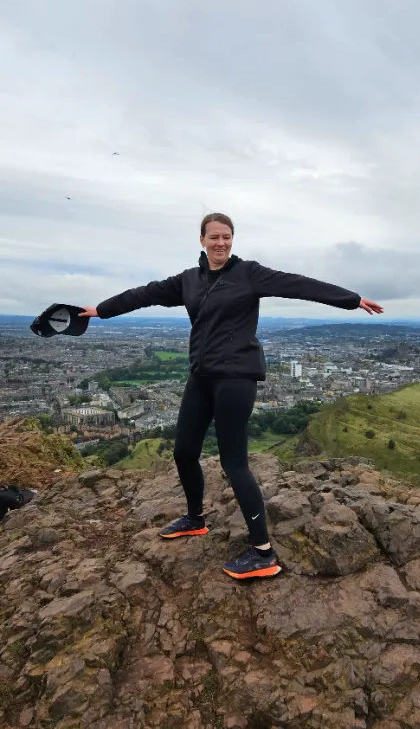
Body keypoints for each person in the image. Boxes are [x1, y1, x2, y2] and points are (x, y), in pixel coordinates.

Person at [79, 213, 383, 579]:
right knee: (184, 451)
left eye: (227, 237)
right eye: (214, 237)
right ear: (202, 240)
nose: (220, 243)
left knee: (233, 461)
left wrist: (351, 300)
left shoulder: (249, 274)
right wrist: (102, 310)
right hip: (202, 375)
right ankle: (195, 518)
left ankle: (262, 552)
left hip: (236, 377)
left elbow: (298, 284)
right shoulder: (189, 281)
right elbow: (146, 293)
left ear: (233, 240)